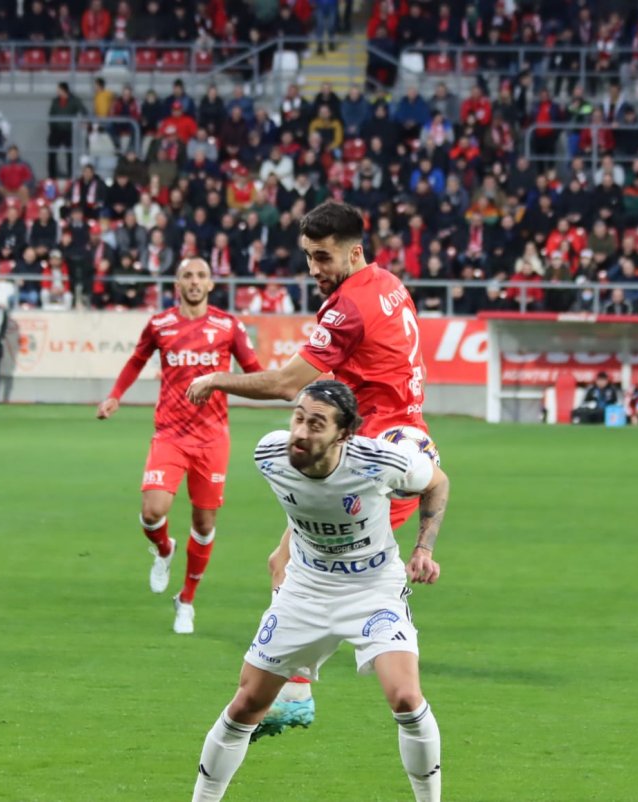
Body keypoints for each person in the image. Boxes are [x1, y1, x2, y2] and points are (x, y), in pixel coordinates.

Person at [186, 200, 434, 739]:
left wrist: (215, 380)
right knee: (284, 560)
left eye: (323, 257)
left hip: (372, 462)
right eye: (308, 257)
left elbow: (284, 384)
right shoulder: (389, 283)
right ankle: (300, 686)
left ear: (354, 251)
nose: (315, 268)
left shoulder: (348, 307)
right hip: (403, 440)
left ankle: (298, 693)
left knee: (314, 571)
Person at [190, 380, 449, 802]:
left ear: (344, 435)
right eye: (298, 418)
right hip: (306, 591)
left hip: (372, 589)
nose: (301, 432)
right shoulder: (269, 454)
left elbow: (437, 482)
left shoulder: (381, 462)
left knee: (405, 697)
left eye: (316, 424)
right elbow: (306, 509)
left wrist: (423, 548)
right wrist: (284, 553)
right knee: (245, 706)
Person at [97, 258, 263, 634]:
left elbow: (255, 372)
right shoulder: (160, 324)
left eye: (201, 275)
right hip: (170, 434)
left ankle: (186, 600)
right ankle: (164, 548)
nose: (194, 281)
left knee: (204, 523)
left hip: (212, 438)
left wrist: (285, 384)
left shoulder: (227, 326)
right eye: (187, 275)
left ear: (210, 284)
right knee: (153, 510)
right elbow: (136, 360)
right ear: (177, 283)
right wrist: (115, 396)